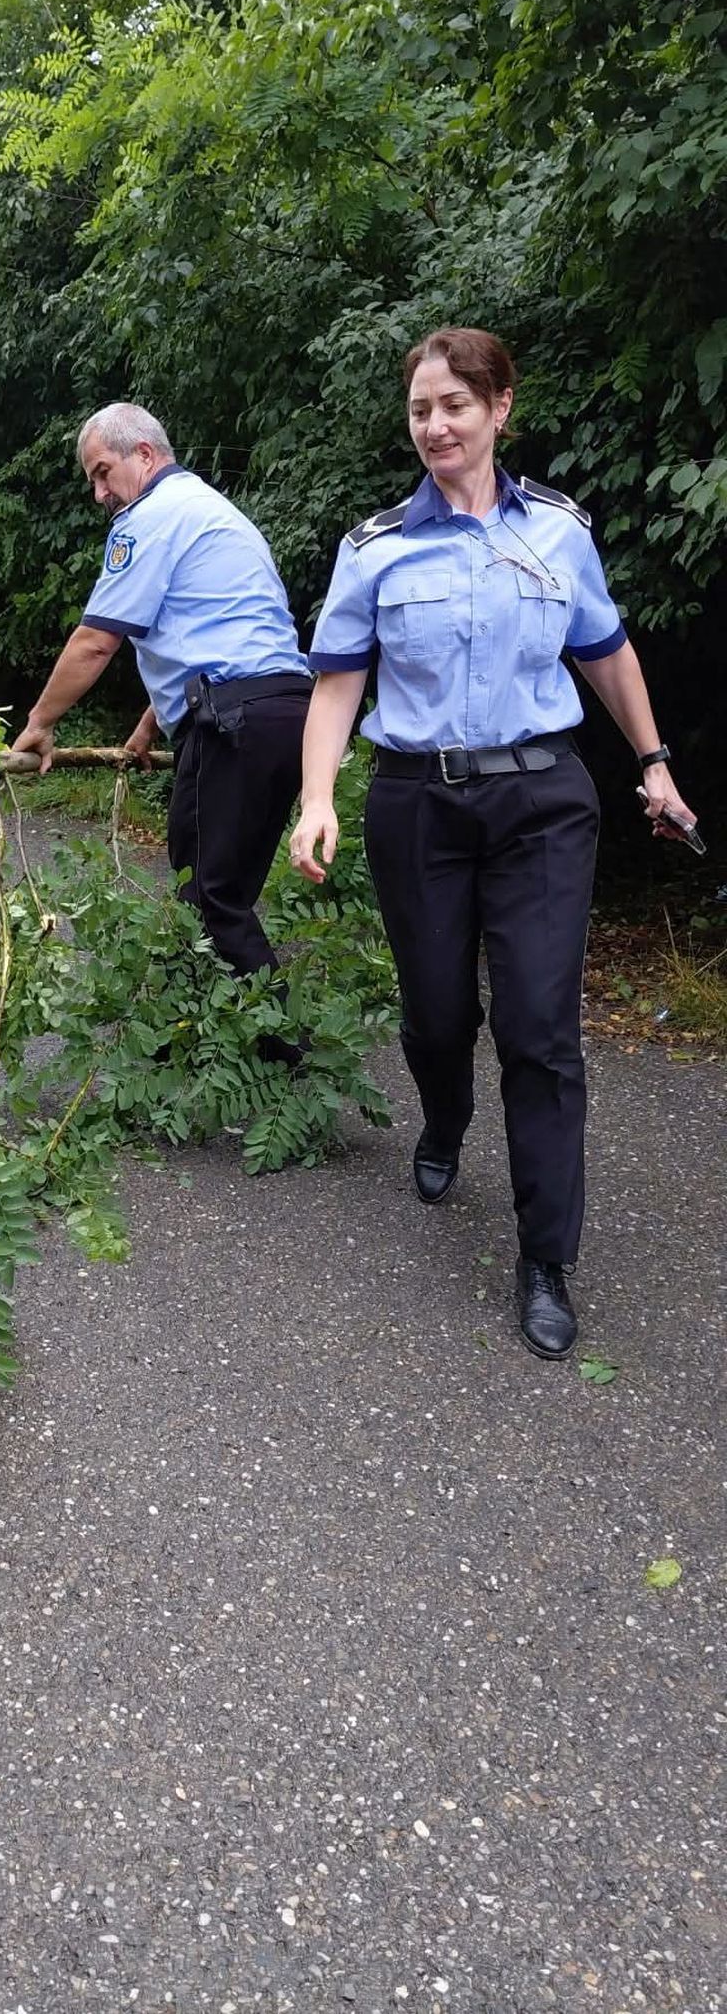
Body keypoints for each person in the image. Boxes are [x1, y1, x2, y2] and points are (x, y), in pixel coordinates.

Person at [289, 326, 698, 1361]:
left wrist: (652, 761)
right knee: (435, 1013)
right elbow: (339, 680)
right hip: (418, 805)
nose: (434, 425)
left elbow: (604, 652)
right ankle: (442, 1115)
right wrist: (317, 797)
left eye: (454, 406)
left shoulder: (558, 533)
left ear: (500, 407)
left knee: (540, 1029)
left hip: (543, 803)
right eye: (421, 409)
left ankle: (545, 1256)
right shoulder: (376, 546)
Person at [12, 402, 313, 1003]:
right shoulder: (211, 511)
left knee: (208, 897)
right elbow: (212, 635)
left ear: (144, 454)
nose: (100, 493)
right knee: (215, 889)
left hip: (234, 725)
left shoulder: (149, 517)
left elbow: (97, 641)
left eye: (102, 472)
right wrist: (151, 726)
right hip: (287, 715)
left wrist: (40, 723)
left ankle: (286, 1055)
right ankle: (199, 1029)